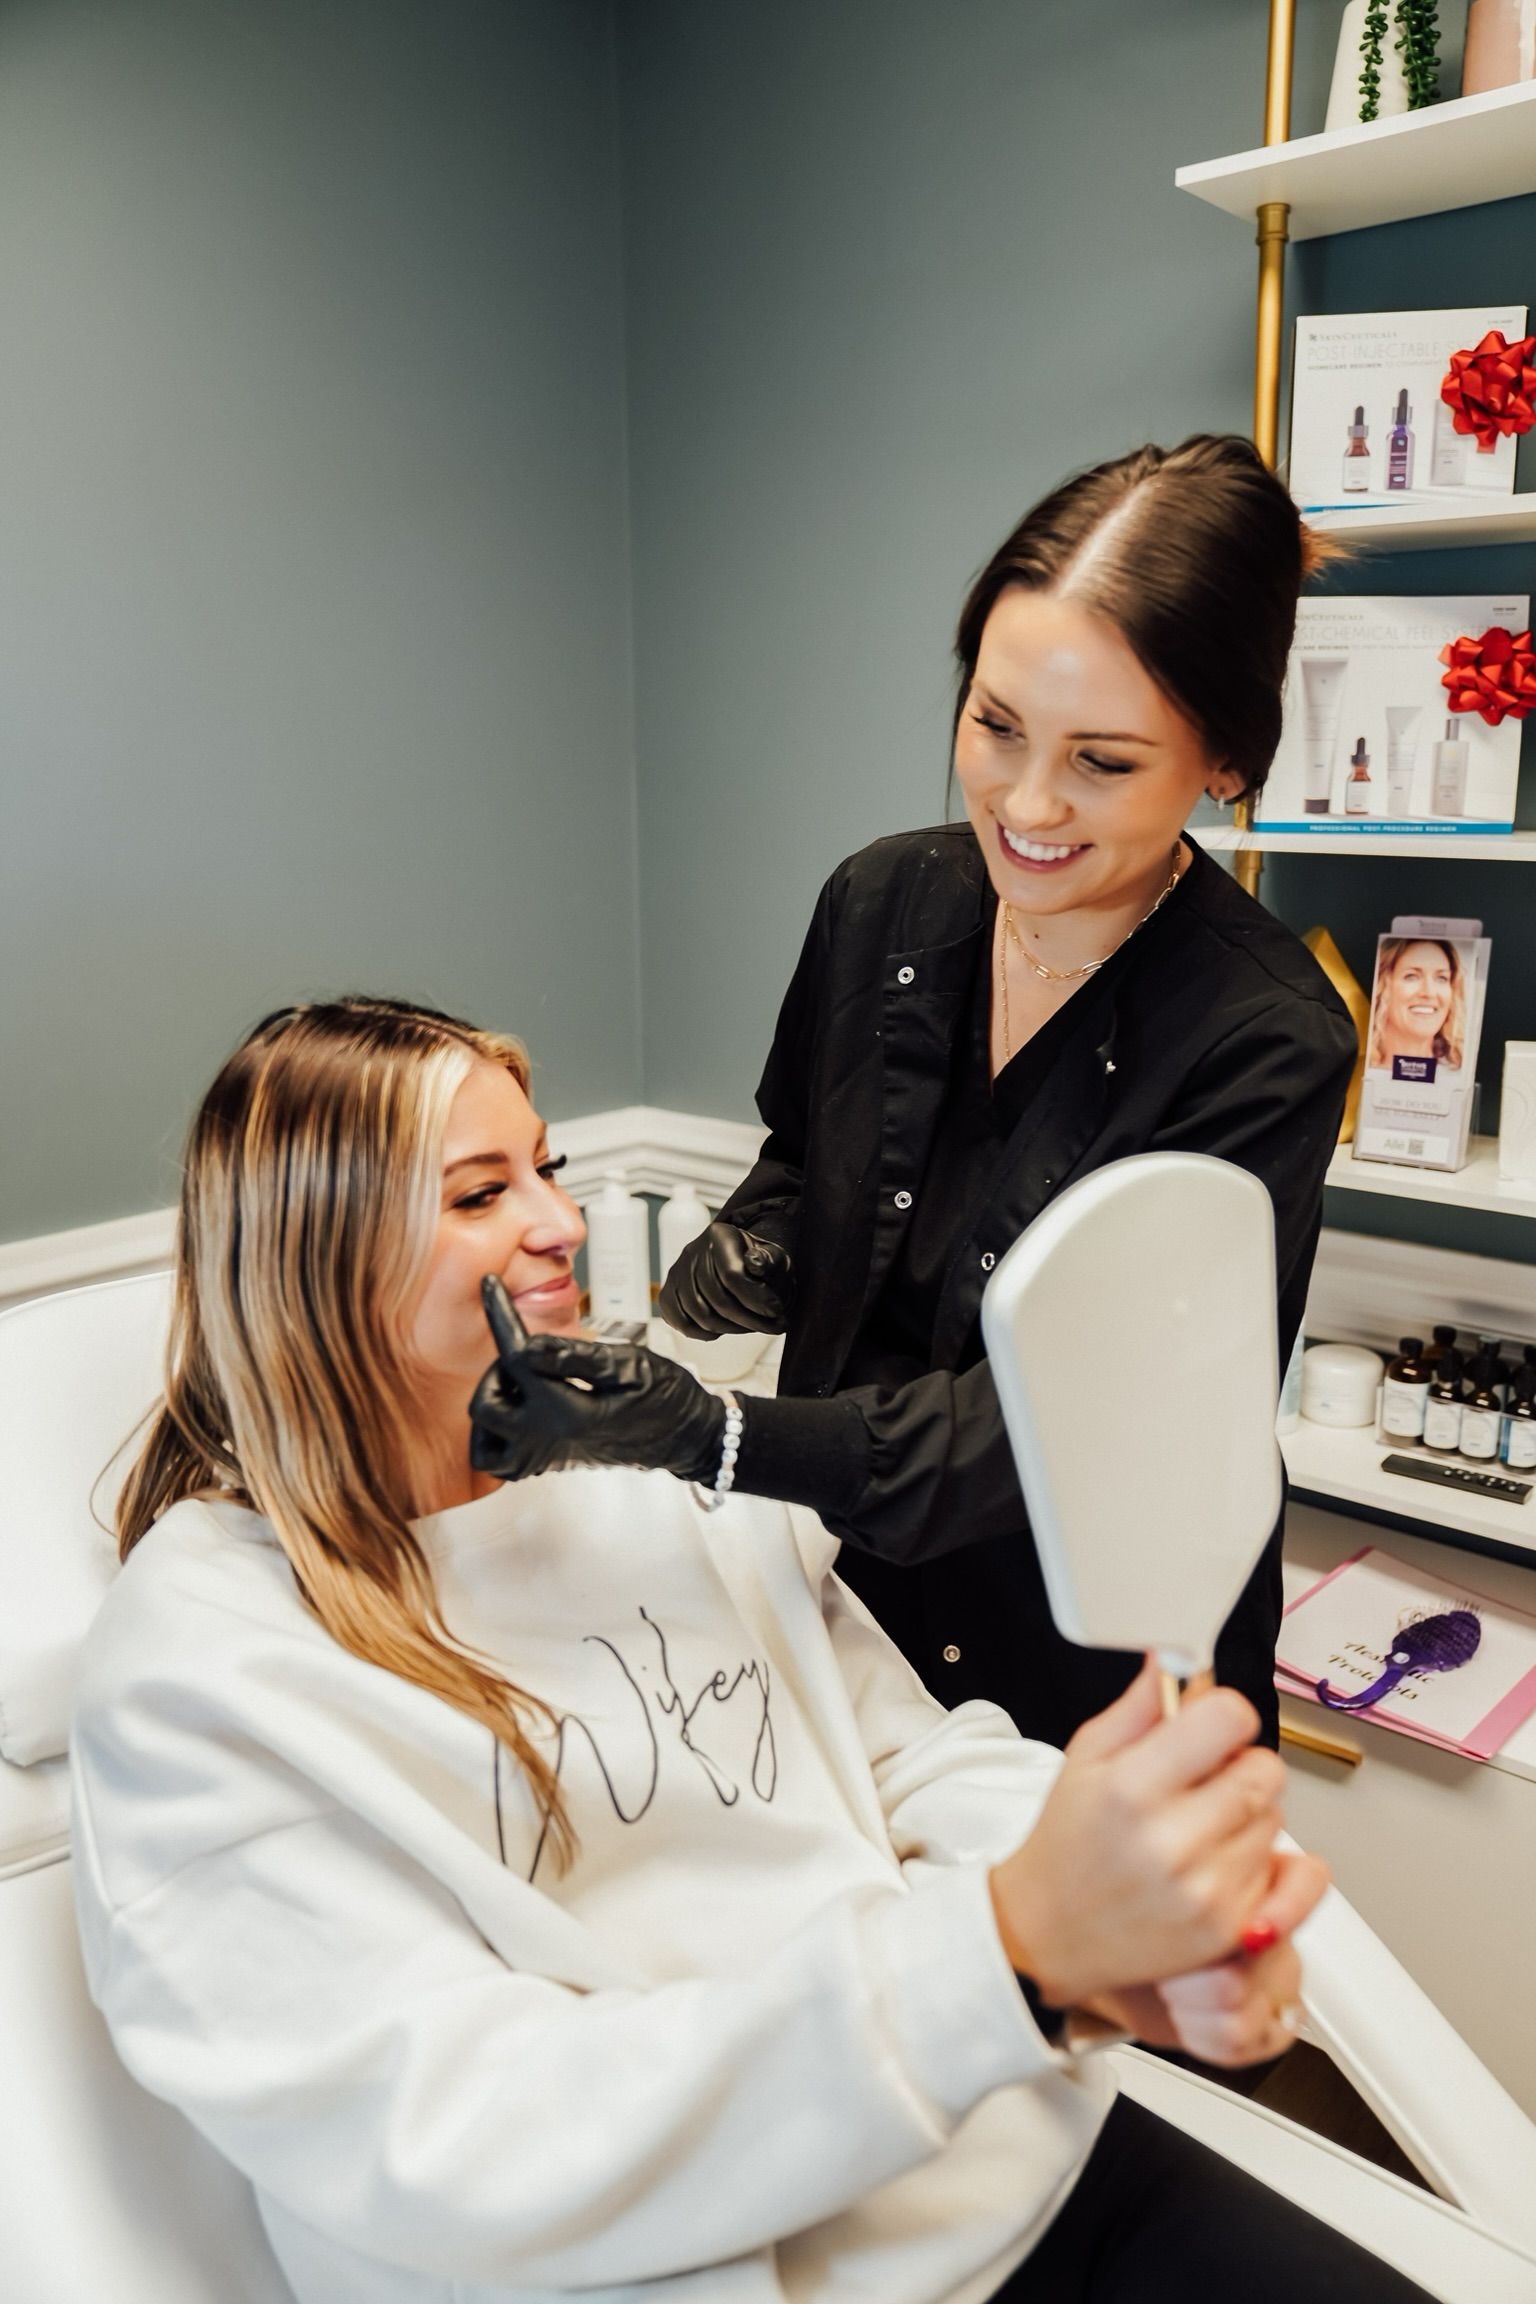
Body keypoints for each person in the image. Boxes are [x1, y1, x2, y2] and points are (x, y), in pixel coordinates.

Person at [70, 996, 1432, 2304]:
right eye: (481, 1194)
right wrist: (1006, 1953)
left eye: (547, 1169)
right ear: (313, 1252)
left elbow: (912, 1759)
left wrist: (1131, 1920)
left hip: (994, 2149)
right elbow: (471, 2138)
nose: (560, 1224)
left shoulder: (639, 1483)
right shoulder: (209, 1676)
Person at [468, 436, 1360, 1750]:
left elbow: (1059, 1430)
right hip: (849, 1596)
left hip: (1095, 1659)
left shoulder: (1261, 1038)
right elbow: (803, 1158)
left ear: (1222, 759)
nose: (1027, 802)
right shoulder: (882, 901)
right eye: (996, 726)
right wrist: (748, 1250)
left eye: (1103, 761)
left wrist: (713, 1436)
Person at [1367, 936, 1465, 1072]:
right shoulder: (1357, 1069)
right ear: (1381, 986)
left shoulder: (1457, 1073)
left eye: (1441, 978)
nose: (1429, 993)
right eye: (1411, 976)